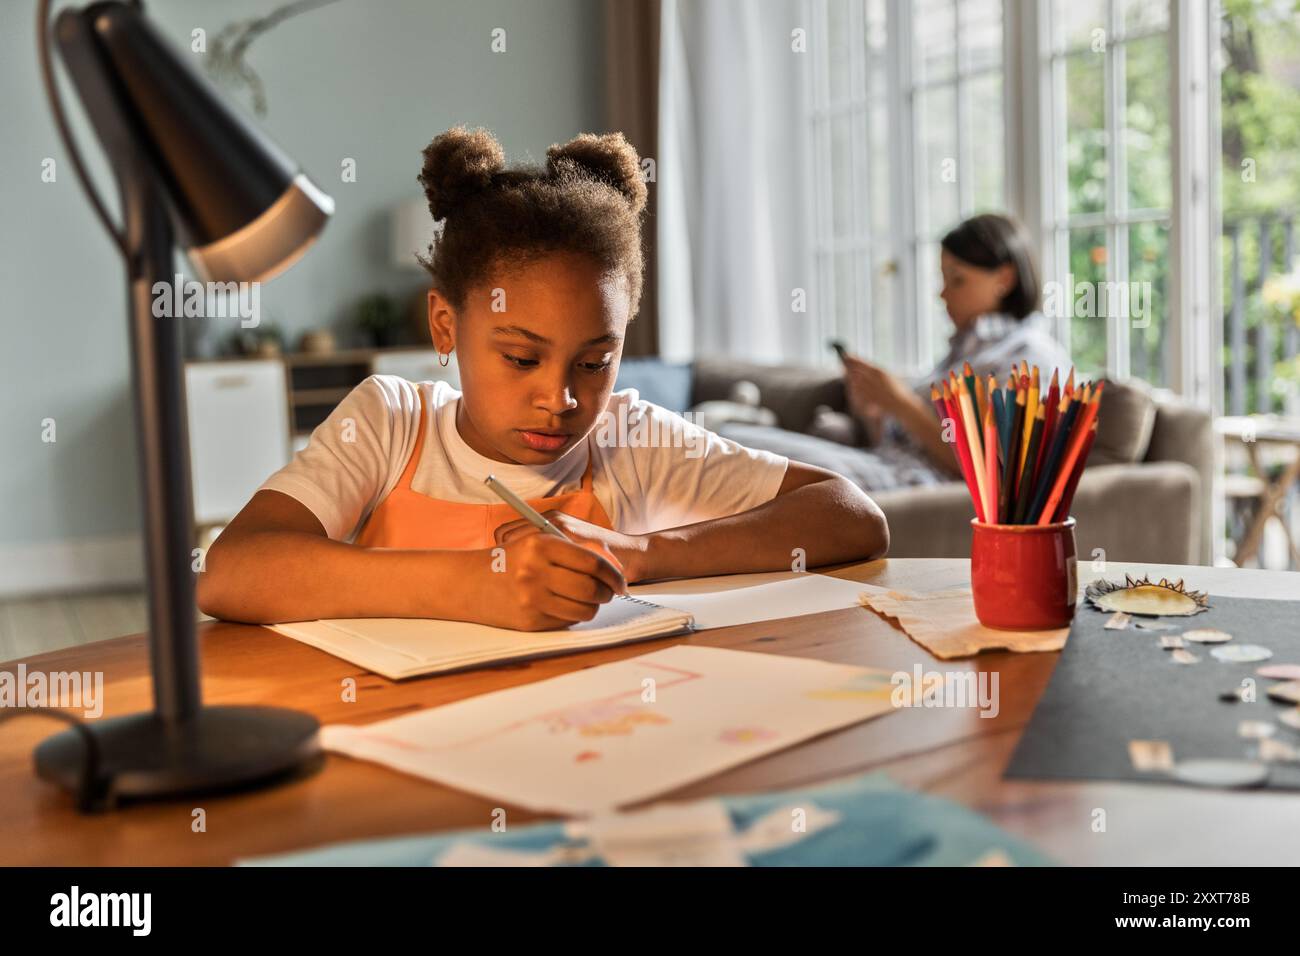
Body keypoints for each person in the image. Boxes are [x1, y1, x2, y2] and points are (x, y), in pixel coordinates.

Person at [197, 127, 889, 631]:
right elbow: (232, 571)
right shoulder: (390, 422)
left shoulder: (629, 438)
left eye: (594, 363)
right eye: (521, 358)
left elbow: (853, 516)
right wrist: (474, 586)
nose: (560, 400)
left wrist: (645, 554)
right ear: (446, 326)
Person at [841, 213, 1072, 487]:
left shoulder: (1031, 356)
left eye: (957, 279)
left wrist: (903, 405)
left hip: (913, 485)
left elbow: (997, 471)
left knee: (787, 471)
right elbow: (904, 441)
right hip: (881, 467)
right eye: (943, 279)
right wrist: (874, 412)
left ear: (1006, 278)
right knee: (781, 460)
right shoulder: (964, 350)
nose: (943, 294)